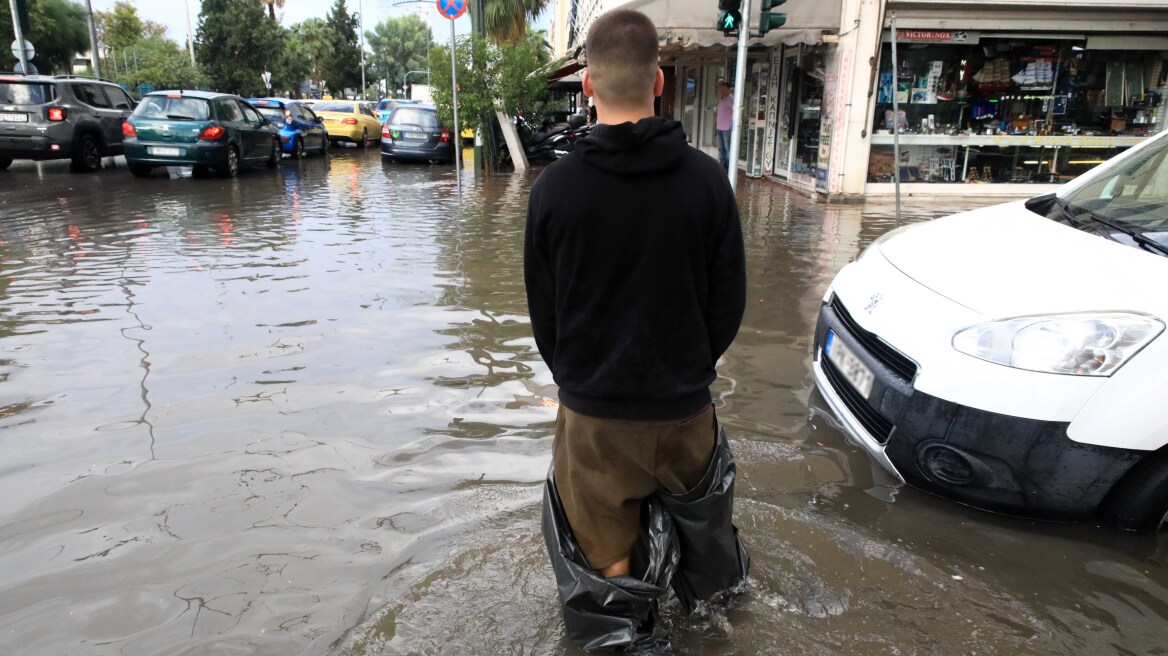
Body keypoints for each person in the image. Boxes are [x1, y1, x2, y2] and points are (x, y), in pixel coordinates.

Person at [525, 9, 748, 654]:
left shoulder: (555, 191)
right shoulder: (707, 181)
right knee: (707, 548)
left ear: (587, 86)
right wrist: (687, 367)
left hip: (595, 421)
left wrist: (583, 380)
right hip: (685, 411)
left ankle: (629, 636)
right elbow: (727, 303)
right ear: (659, 81)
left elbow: (547, 318)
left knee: (605, 565)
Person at [715, 81, 733, 173]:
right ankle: (722, 167)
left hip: (726, 129)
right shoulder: (722, 100)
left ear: (728, 89)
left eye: (723, 89)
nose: (721, 91)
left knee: (727, 149)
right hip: (719, 128)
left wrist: (732, 125)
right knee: (721, 148)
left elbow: (735, 111)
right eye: (720, 89)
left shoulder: (731, 99)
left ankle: (729, 168)